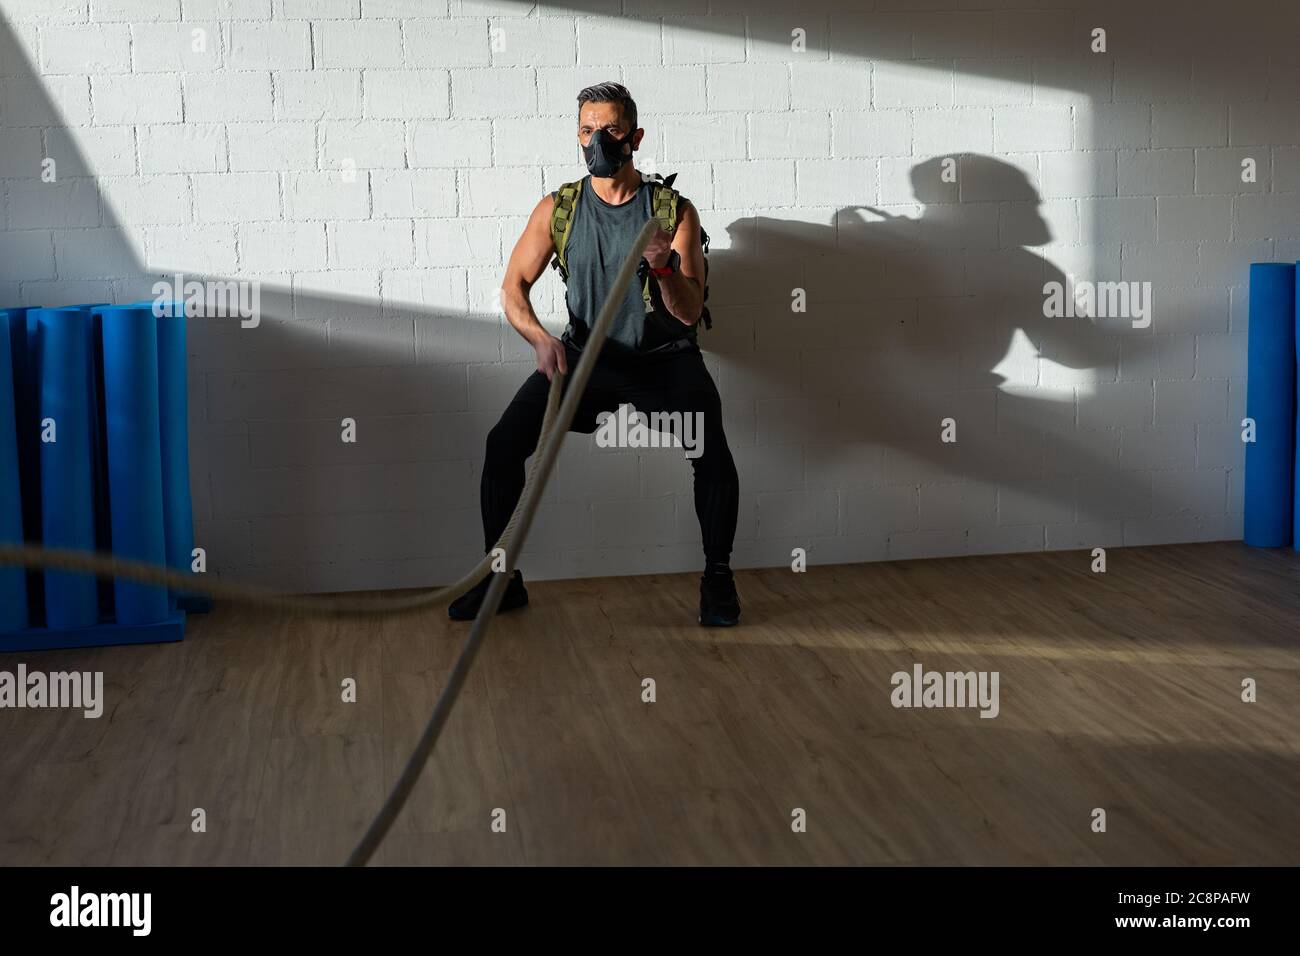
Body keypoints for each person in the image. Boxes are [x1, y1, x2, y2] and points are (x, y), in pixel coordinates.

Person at [448, 82, 741, 627]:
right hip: (587, 358)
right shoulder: (558, 209)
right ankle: (500, 581)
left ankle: (718, 579)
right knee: (504, 444)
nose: (597, 141)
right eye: (587, 130)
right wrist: (541, 338)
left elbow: (688, 309)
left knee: (712, 452)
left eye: (609, 130)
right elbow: (512, 287)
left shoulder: (671, 211)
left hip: (664, 359)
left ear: (635, 136)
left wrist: (662, 266)